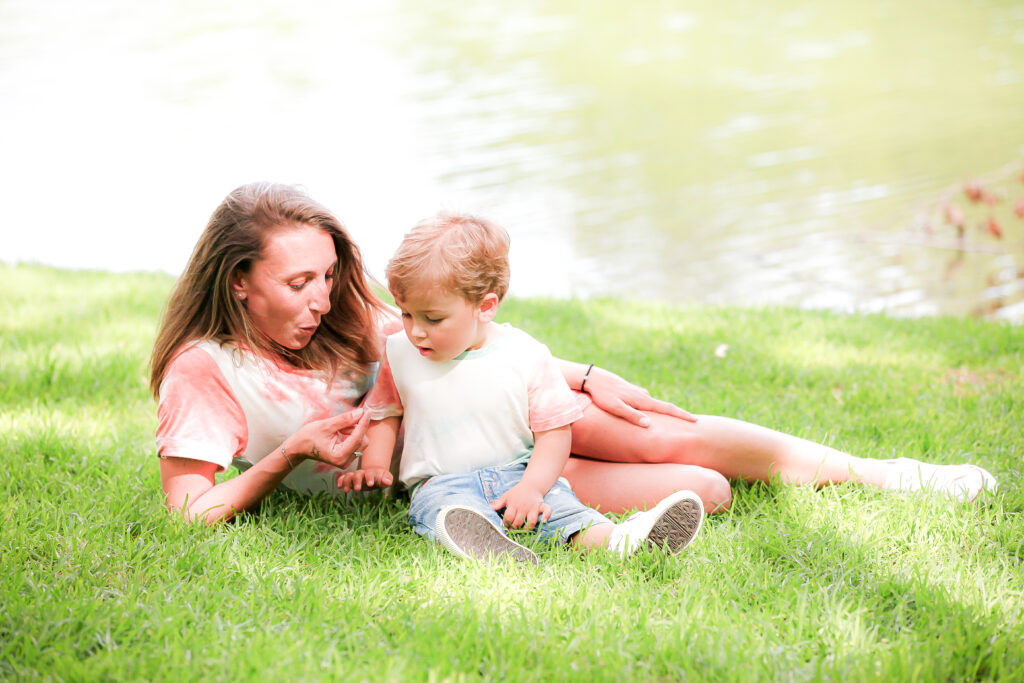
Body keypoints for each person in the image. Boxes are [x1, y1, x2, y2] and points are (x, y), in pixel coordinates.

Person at [152, 182, 997, 525]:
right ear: (237, 283)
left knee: (665, 429)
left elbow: (450, 348)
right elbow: (189, 509)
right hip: (463, 471)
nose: (323, 297)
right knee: (700, 488)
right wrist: (292, 452)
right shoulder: (206, 370)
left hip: (514, 409)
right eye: (299, 282)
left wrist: (584, 375)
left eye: (330, 275)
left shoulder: (348, 316)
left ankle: (888, 472)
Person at [337, 213, 705, 563]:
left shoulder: (525, 354)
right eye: (406, 313)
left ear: (486, 306)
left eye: (433, 318)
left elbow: (555, 433)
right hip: (442, 482)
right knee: (443, 512)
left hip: (519, 472)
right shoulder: (400, 352)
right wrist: (373, 466)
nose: (416, 330)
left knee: (565, 512)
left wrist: (531, 488)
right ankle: (487, 545)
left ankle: (621, 540)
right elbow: (385, 414)